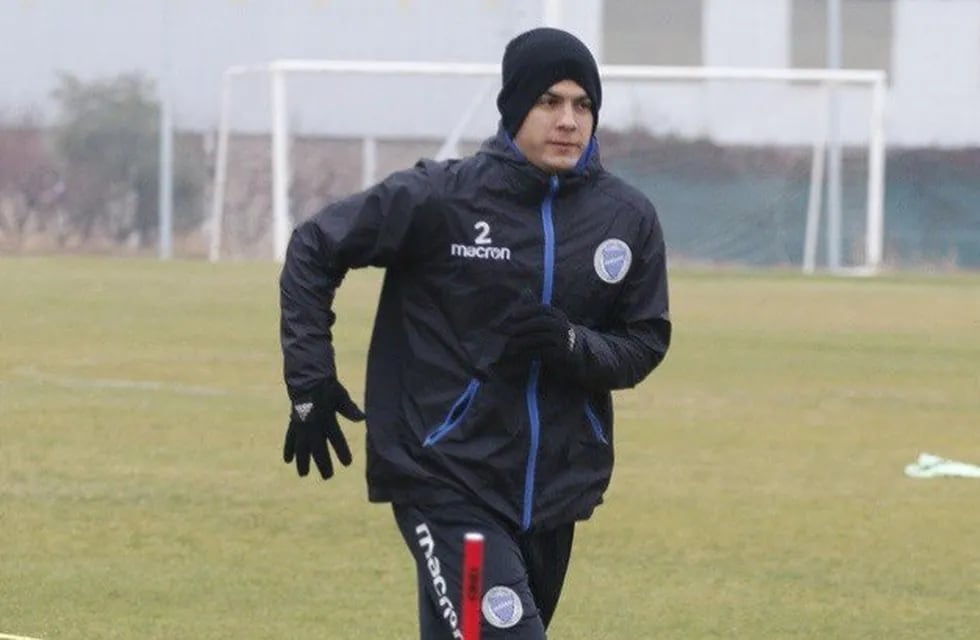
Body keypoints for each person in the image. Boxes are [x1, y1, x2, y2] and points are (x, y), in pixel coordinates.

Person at [279, 27, 671, 639]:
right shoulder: (443, 197)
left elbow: (644, 341)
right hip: (446, 480)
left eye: (582, 104)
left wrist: (571, 345)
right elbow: (315, 246)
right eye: (549, 102)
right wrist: (310, 379)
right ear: (514, 107)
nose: (568, 120)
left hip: (553, 495)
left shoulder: (626, 217)